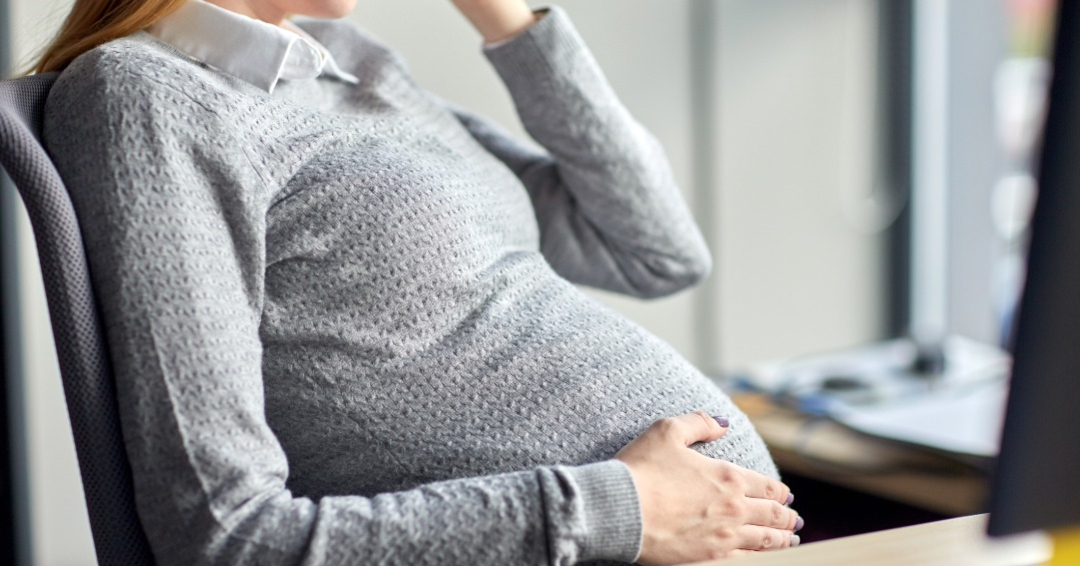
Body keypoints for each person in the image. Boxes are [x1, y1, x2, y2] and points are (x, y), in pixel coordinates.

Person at [36, 0, 803, 564]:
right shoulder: (148, 95)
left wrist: (510, 18)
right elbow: (225, 533)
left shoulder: (344, 60)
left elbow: (657, 248)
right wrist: (616, 507)